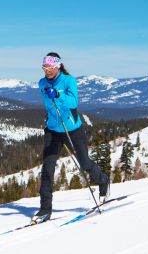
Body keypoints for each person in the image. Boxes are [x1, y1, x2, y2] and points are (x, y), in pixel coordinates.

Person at [32, 52, 110, 224]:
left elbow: (74, 103)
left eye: (50, 68)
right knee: (47, 170)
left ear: (58, 66)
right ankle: (45, 210)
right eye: (44, 68)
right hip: (53, 130)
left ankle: (103, 181)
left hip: (72, 129)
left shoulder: (69, 81)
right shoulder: (42, 83)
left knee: (85, 163)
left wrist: (58, 95)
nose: (47, 71)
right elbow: (48, 104)